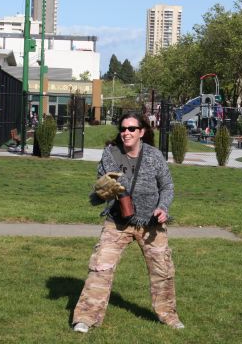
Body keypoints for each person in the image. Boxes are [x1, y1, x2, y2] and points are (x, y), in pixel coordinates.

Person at [72, 112, 183, 334]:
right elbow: (101, 188)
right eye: (123, 129)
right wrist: (103, 191)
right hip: (118, 221)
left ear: (141, 132)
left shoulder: (154, 156)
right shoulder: (110, 154)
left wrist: (163, 208)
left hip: (151, 223)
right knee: (100, 268)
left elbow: (167, 186)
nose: (126, 133)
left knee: (162, 271)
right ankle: (85, 317)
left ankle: (169, 316)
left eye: (132, 129)